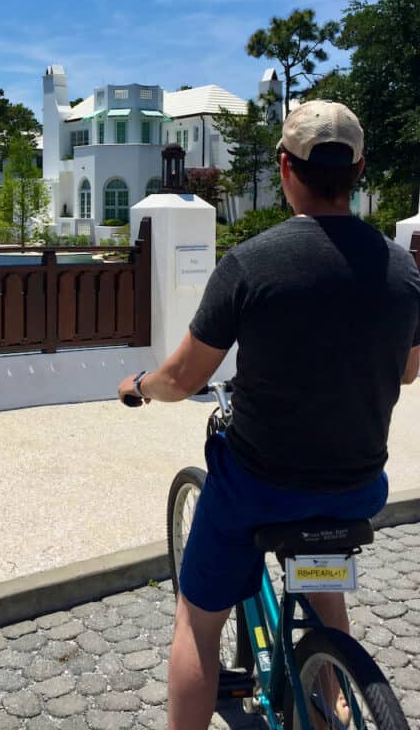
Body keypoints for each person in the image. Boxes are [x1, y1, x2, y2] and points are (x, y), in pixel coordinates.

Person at [117, 100, 420, 730]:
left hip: (260, 487)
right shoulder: (402, 269)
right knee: (322, 553)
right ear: (359, 169)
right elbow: (409, 370)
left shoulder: (251, 263)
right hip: (357, 486)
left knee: (197, 623)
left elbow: (186, 377)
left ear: (286, 167)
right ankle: (333, 693)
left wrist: (141, 386)